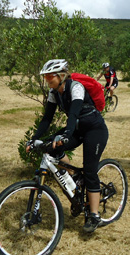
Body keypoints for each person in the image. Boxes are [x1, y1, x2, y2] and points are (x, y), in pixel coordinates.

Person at [26, 59, 109, 233]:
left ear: (62, 75)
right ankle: (75, 178)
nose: (47, 79)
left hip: (95, 128)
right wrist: (34, 138)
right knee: (51, 147)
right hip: (78, 128)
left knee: (90, 169)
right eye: (45, 76)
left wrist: (65, 134)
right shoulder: (54, 92)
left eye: (50, 76)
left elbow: (73, 113)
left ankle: (94, 216)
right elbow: (47, 119)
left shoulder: (76, 87)